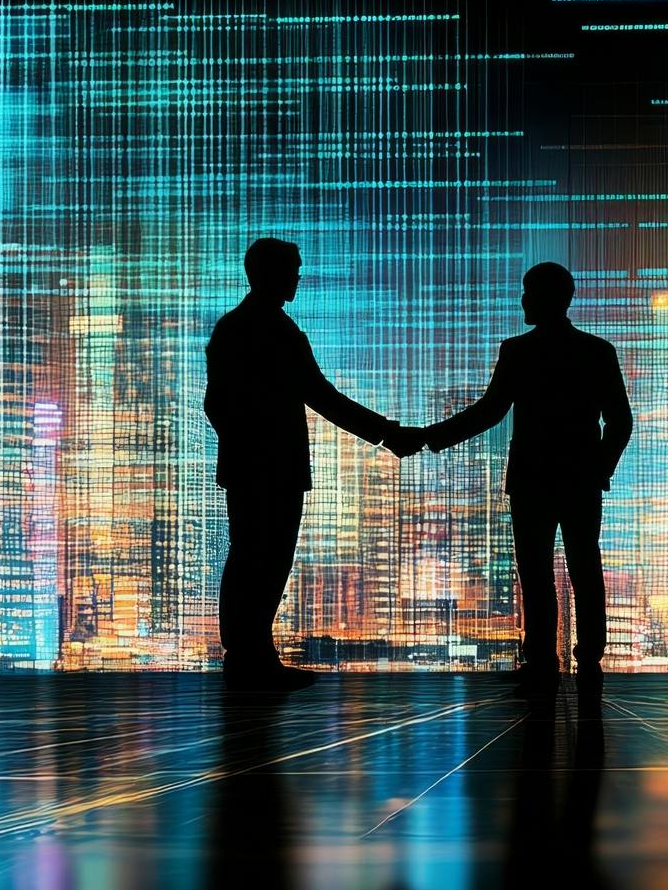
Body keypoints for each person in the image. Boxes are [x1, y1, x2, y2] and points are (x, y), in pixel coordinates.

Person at [205, 238, 422, 692]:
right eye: (293, 269)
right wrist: (388, 434)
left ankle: (245, 654)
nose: (298, 277)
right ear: (270, 273)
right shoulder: (279, 333)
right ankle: (253, 657)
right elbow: (323, 397)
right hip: (277, 465)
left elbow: (216, 405)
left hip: (248, 464)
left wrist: (241, 441)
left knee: (248, 554)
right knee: (267, 557)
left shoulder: (232, 328)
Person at [420, 263, 632, 695]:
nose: (522, 300)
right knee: (584, 569)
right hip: (578, 480)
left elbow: (488, 412)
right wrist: (599, 469)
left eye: (527, 292)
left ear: (545, 297)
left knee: (535, 574)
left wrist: (430, 438)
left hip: (533, 479)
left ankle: (541, 661)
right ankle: (589, 659)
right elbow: (620, 422)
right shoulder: (596, 351)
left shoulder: (518, 351)